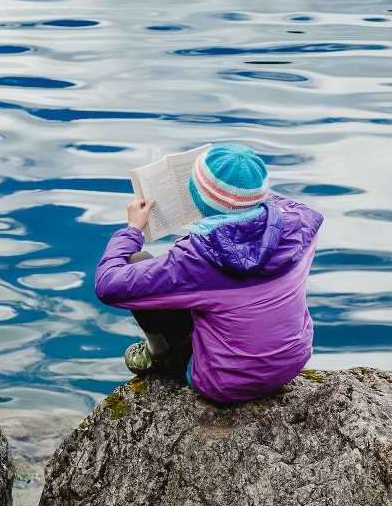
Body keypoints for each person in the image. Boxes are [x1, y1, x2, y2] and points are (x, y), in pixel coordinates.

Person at [95, 143, 323, 402]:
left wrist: (133, 230)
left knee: (138, 261)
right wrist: (239, 195)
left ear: (196, 197)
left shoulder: (197, 259)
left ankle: (161, 355)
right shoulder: (303, 223)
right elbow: (280, 203)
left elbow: (107, 285)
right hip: (292, 363)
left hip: (224, 382)